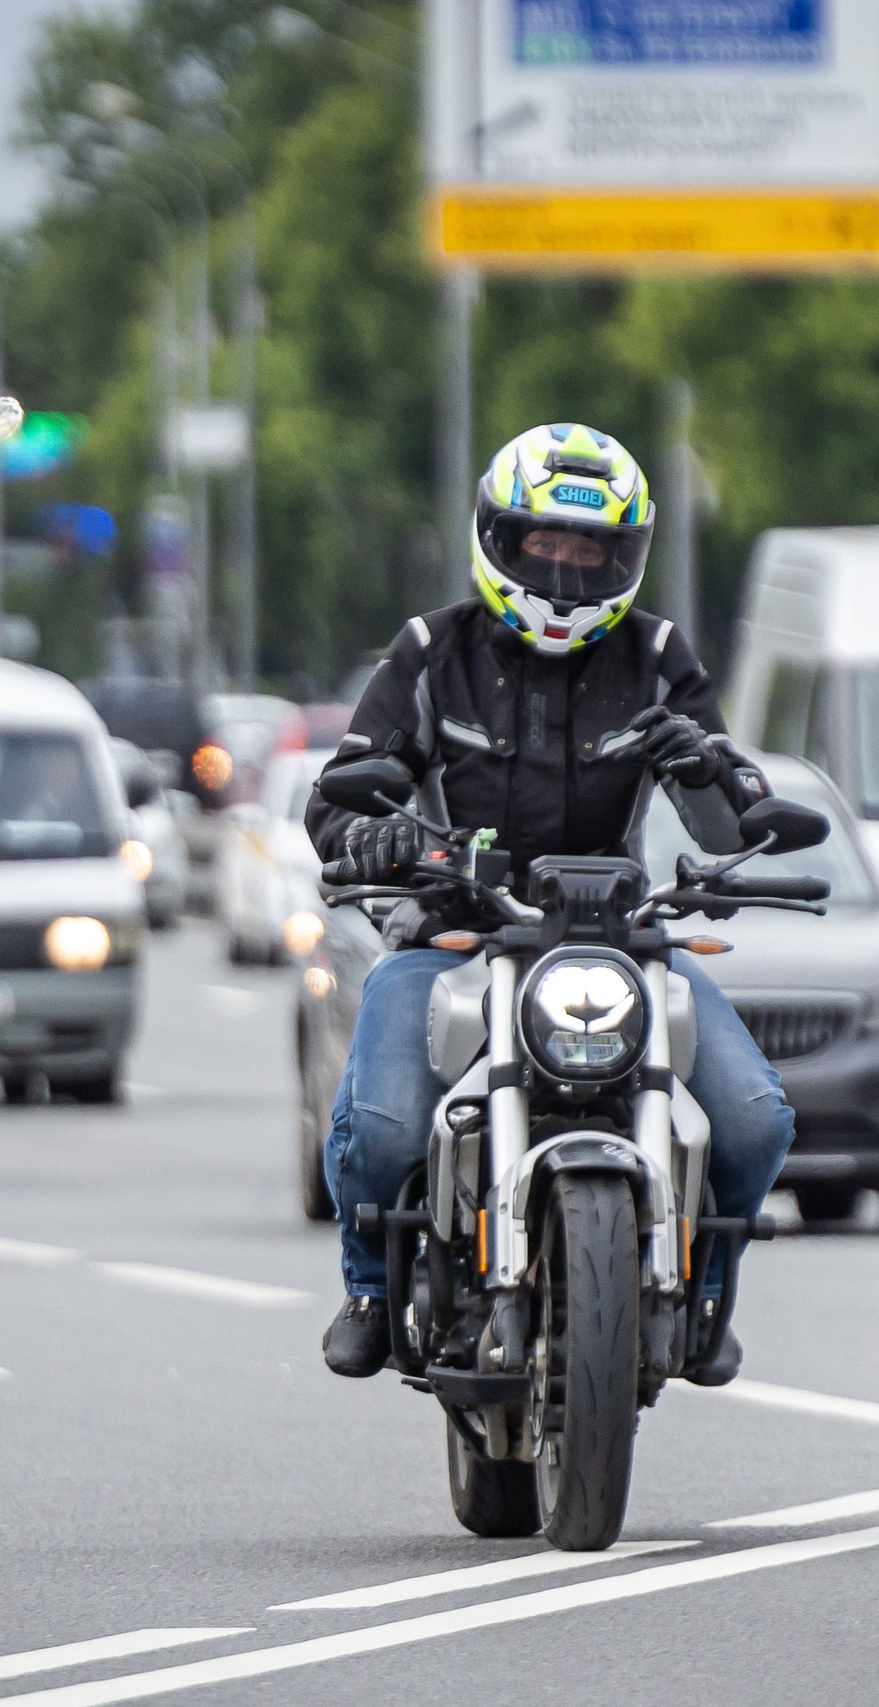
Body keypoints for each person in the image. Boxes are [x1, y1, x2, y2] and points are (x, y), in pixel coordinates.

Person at [305, 422, 795, 1386]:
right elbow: (341, 793)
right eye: (547, 543)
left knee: (755, 1120)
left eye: (592, 550)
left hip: (619, 941)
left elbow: (730, 819)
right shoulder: (430, 650)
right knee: (390, 1121)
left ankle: (702, 1287)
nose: (568, 568)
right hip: (453, 931)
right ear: (501, 538)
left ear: (627, 556)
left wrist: (712, 777)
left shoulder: (657, 655)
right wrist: (379, 835)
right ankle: (368, 1284)